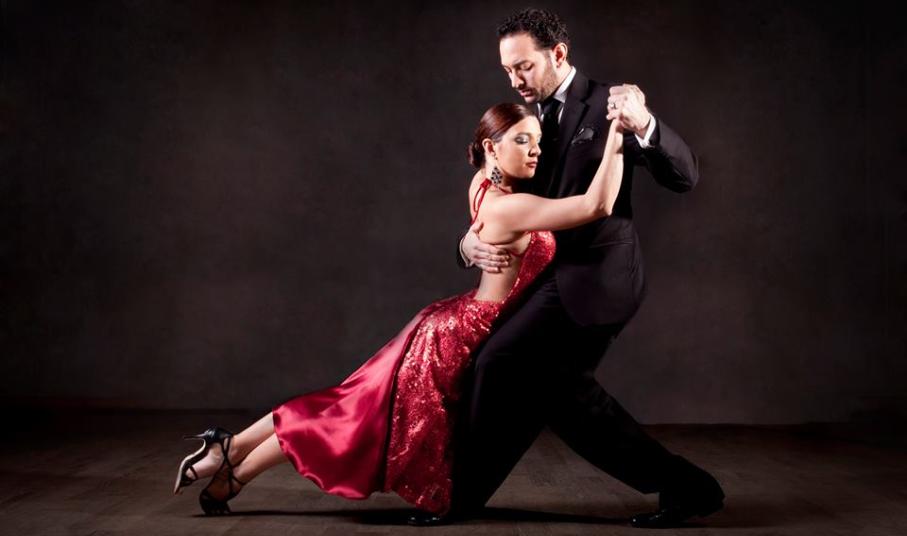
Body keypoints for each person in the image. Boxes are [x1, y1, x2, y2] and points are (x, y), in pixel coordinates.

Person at [171, 102, 628, 517]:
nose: (536, 151)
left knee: (347, 406)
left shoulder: (481, 186)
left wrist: (466, 244)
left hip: (448, 321)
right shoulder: (513, 208)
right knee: (349, 421)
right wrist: (618, 135)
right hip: (464, 335)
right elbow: (597, 204)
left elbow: (482, 230)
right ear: (491, 148)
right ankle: (233, 468)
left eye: (539, 141)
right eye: (522, 140)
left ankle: (229, 452)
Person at [413, 8, 725, 529]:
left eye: (525, 67)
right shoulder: (524, 118)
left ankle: (459, 498)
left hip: (600, 277)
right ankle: (688, 488)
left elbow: (685, 175)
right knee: (551, 390)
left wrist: (645, 125)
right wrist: (467, 242)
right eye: (508, 70)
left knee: (503, 366)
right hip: (545, 281)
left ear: (558, 54)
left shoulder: (610, 105)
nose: (515, 80)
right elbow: (494, 190)